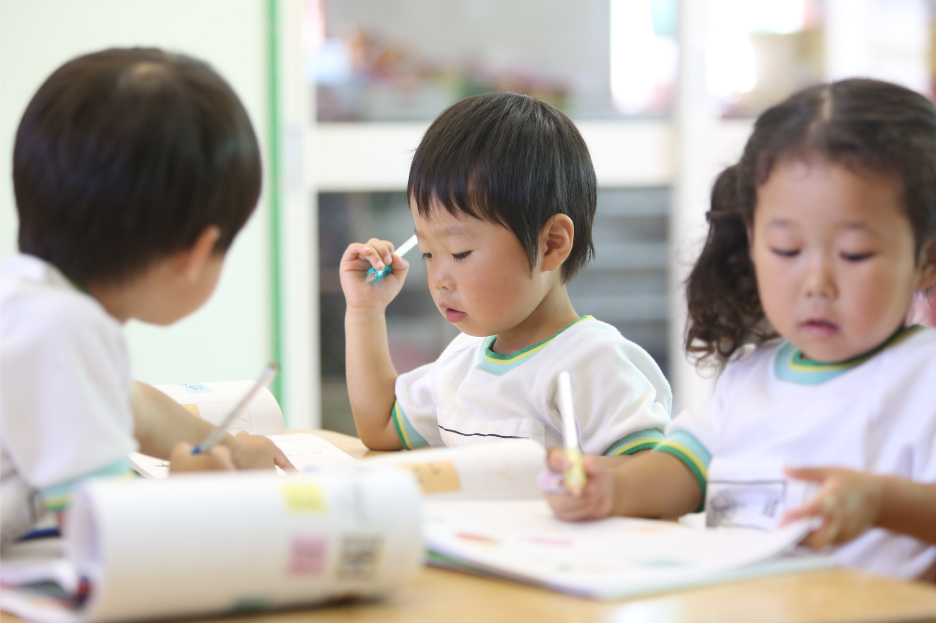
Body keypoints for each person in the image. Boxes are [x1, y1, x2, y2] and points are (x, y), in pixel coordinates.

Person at [545, 78, 936, 581]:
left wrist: (881, 502)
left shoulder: (922, 377)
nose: (816, 283)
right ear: (752, 241)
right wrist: (610, 489)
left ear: (926, 259)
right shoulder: (750, 377)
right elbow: (683, 470)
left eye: (855, 254)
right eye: (787, 250)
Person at [0, 48, 292, 546]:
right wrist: (183, 496)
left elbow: (132, 402)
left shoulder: (31, 304)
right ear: (195, 252)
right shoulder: (65, 329)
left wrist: (229, 449)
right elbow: (105, 539)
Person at [339, 92, 671, 456]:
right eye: (428, 254)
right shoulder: (462, 362)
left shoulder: (592, 364)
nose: (439, 280)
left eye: (460, 253)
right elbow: (381, 426)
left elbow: (648, 479)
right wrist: (365, 311)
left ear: (551, 245)